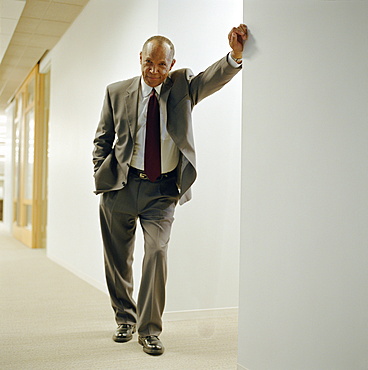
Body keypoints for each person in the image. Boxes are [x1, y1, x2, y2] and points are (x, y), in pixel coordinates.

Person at [93, 24, 248, 356]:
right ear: (140, 58)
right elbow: (102, 139)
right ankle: (125, 318)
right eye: (149, 62)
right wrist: (100, 173)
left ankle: (149, 329)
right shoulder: (117, 91)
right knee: (118, 258)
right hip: (120, 186)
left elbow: (211, 78)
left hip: (162, 191)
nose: (154, 71)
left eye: (162, 65)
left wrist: (235, 56)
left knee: (157, 252)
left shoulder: (182, 88)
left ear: (172, 65)